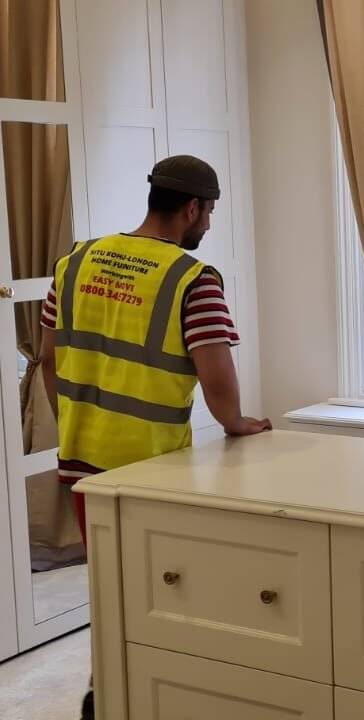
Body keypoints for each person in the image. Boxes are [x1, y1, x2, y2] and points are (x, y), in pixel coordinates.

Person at [39, 155, 272, 719]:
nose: (208, 225)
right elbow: (217, 378)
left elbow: (47, 358)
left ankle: (105, 694)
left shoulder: (75, 262)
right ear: (191, 208)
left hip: (83, 462)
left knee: (110, 589)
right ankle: (135, 698)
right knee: (160, 596)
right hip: (151, 472)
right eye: (209, 213)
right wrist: (237, 423)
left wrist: (72, 419)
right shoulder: (193, 280)